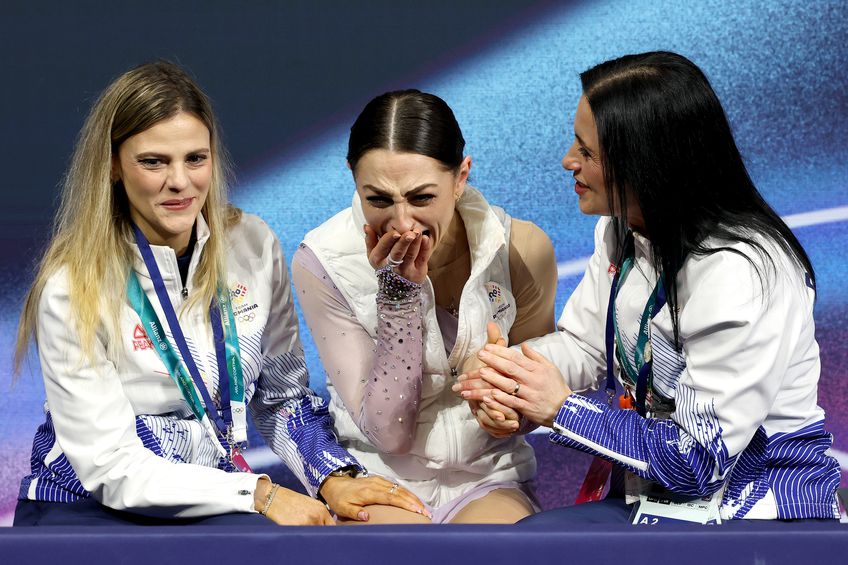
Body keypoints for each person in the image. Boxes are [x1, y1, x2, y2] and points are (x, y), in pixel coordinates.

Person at [13, 61, 426, 526]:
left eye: (195, 158)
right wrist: (260, 495)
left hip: (219, 498)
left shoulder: (251, 244)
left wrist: (334, 476)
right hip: (86, 508)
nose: (180, 182)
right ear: (112, 165)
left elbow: (281, 398)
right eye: (153, 161)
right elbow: (112, 467)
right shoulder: (72, 286)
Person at [454, 51, 840, 523]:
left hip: (752, 512)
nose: (567, 161)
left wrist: (560, 408)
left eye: (587, 152)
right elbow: (586, 347)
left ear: (648, 163)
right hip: (658, 497)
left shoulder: (740, 273)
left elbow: (697, 461)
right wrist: (507, 373)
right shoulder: (623, 230)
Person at [292, 89, 558, 524]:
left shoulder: (522, 249)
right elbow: (389, 432)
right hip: (379, 474)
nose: (402, 223)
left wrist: (505, 406)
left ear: (461, 177)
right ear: (352, 180)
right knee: (404, 554)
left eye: (421, 198)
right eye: (377, 199)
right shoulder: (322, 261)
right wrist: (397, 298)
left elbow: (540, 397)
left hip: (489, 474)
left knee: (492, 554)